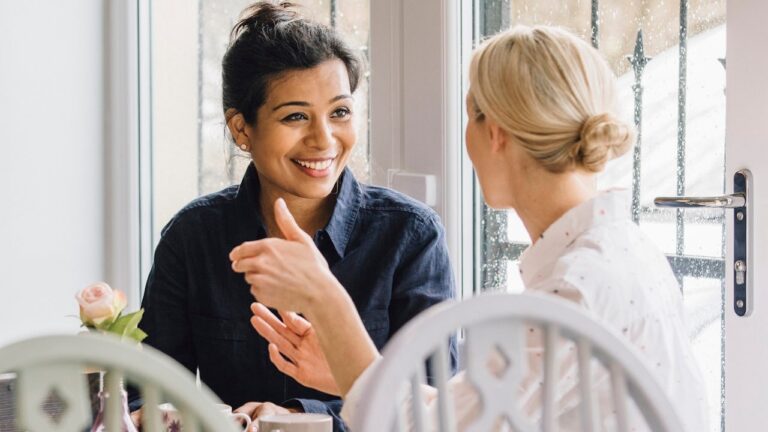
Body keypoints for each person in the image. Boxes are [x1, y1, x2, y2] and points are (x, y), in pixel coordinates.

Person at [231, 25, 709, 430]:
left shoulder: (575, 290)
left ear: (494, 131)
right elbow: (468, 413)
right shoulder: (614, 253)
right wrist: (343, 370)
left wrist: (324, 296)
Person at [132, 2, 456, 430]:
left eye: (339, 112)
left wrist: (303, 417)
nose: (324, 139)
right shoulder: (193, 237)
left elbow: (438, 405)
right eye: (296, 116)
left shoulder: (410, 236)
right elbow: (146, 391)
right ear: (241, 129)